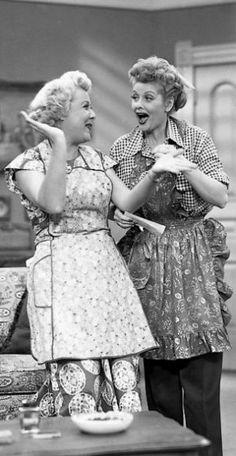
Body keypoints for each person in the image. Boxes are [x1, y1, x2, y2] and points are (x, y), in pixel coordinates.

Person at [4, 70, 195, 418]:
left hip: (106, 275)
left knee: (122, 377)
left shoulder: (98, 160)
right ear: (60, 114)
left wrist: (155, 172)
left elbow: (126, 203)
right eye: (86, 107)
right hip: (62, 276)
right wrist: (60, 145)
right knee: (81, 379)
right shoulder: (29, 164)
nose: (93, 114)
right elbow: (54, 203)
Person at [110, 56, 233, 456]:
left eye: (148, 96)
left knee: (200, 395)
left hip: (195, 268)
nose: (137, 105)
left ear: (169, 101)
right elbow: (120, 208)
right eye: (134, 96)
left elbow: (219, 195)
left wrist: (183, 165)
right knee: (160, 396)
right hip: (147, 266)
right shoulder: (123, 149)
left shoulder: (195, 139)